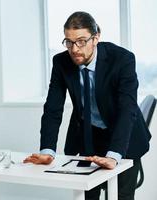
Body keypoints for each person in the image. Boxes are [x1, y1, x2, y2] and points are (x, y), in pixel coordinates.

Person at [24, 11, 151, 200]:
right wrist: (47, 150)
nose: (74, 49)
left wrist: (114, 155)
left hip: (123, 137)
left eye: (81, 41)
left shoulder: (122, 59)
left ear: (96, 37)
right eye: (69, 42)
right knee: (86, 195)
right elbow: (53, 109)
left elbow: (127, 109)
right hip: (88, 137)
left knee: (121, 197)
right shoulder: (61, 62)